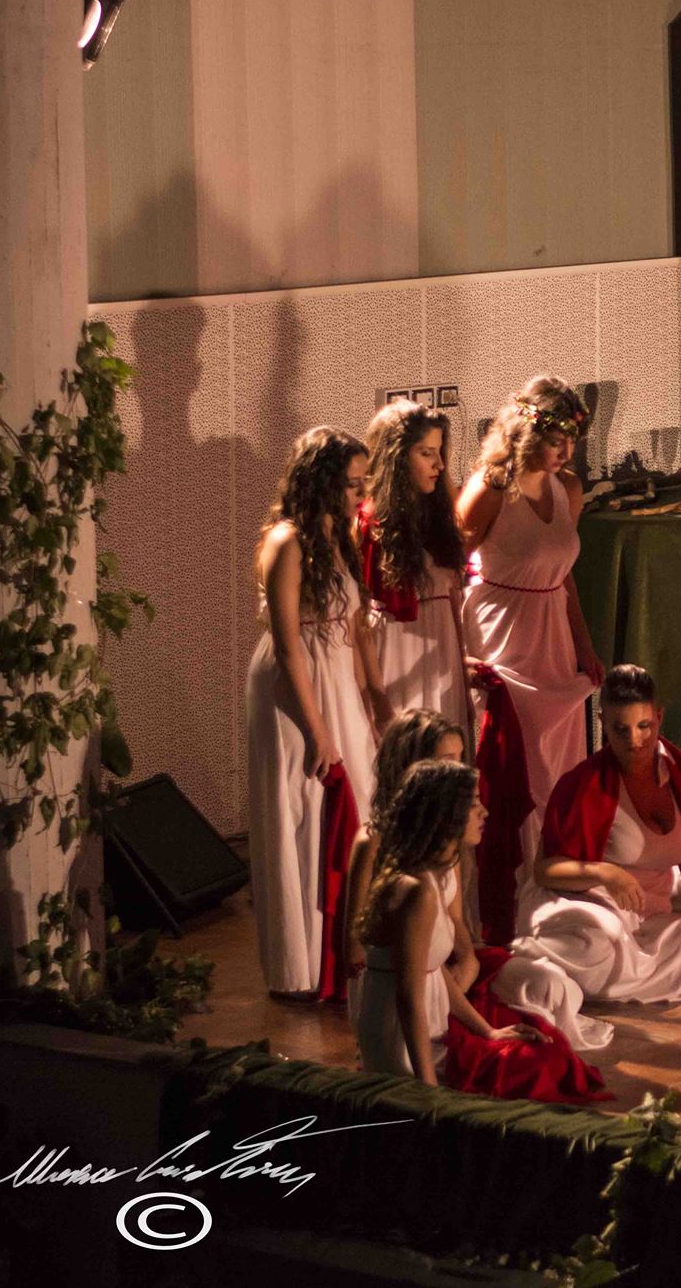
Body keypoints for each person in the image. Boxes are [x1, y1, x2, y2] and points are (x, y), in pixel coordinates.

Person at [350, 760, 609, 1102]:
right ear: (445, 814)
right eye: (473, 803)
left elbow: (435, 971)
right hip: (403, 1043)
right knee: (536, 1067)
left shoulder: (436, 875)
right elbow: (409, 997)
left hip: (434, 1027)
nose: (484, 811)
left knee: (549, 1046)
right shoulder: (417, 891)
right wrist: (428, 1093)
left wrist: (488, 1031)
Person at [458, 376, 607, 940]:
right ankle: (505, 902)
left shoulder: (569, 489)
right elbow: (447, 572)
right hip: (501, 635)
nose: (566, 450)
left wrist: (584, 646)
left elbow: (563, 577)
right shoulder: (490, 488)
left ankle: (555, 891)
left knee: (559, 770)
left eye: (572, 439)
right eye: (556, 438)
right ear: (526, 431)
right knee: (514, 767)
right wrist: (456, 651)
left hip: (553, 638)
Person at [497, 667, 681, 1020]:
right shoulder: (581, 784)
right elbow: (545, 871)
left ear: (659, 717)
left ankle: (595, 982)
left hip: (646, 920)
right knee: (599, 940)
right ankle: (560, 970)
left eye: (644, 726)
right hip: (580, 904)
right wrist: (606, 874)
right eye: (621, 729)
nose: (634, 740)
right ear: (603, 723)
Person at [245, 426, 381, 998]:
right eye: (350, 483)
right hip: (296, 689)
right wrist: (318, 731)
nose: (360, 494)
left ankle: (348, 952)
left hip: (337, 680)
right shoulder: (288, 541)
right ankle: (301, 969)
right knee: (302, 810)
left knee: (360, 806)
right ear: (320, 482)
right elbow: (287, 646)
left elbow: (351, 631)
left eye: (363, 482)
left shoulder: (338, 536)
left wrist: (370, 707)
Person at [340, 710, 476, 999]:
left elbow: (454, 919)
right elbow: (355, 947)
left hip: (440, 974)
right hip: (394, 985)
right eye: (447, 760)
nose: (458, 770)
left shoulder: (446, 837)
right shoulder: (372, 841)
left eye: (460, 758)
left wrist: (468, 959)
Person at [359, 399, 473, 736]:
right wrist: (378, 699)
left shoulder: (439, 514)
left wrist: (461, 669)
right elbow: (359, 618)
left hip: (441, 646)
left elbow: (452, 598)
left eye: (440, 452)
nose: (439, 464)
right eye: (426, 453)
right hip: (396, 648)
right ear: (397, 457)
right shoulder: (371, 522)